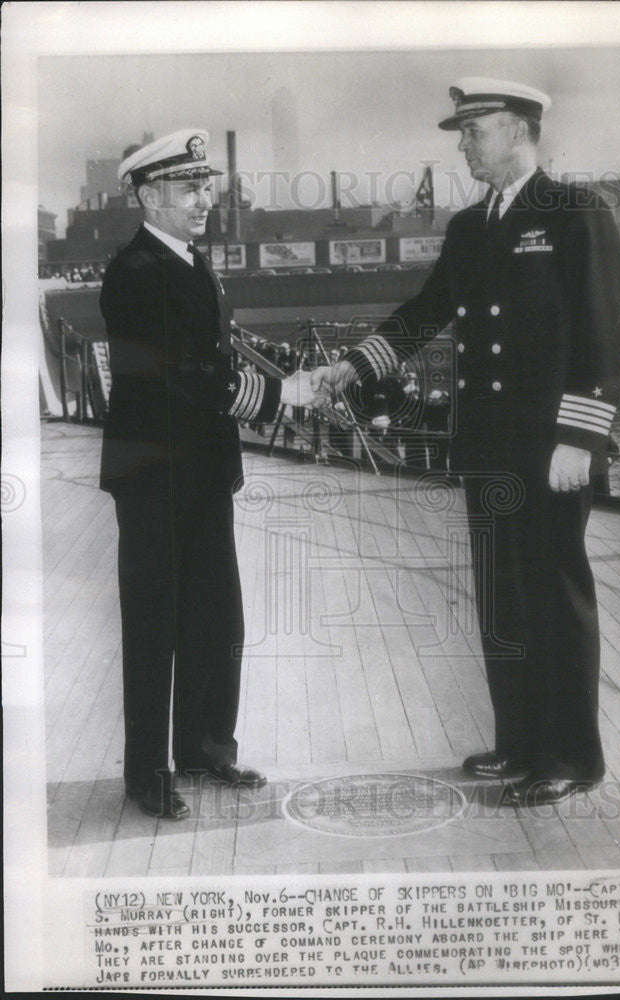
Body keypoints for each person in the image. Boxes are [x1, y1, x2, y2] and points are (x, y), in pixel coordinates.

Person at [323, 78, 620, 806]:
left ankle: (570, 757)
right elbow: (425, 312)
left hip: (550, 448)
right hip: (488, 447)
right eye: (460, 133)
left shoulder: (573, 211)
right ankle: (519, 742)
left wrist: (576, 439)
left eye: (474, 130)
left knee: (554, 598)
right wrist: (350, 364)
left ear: (520, 131)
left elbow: (604, 330)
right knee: (502, 600)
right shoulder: (468, 228)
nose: (462, 144)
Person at [100, 129, 325, 819]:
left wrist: (286, 370)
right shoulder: (134, 272)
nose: (203, 200)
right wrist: (281, 394)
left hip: (201, 472)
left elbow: (218, 346)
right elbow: (183, 372)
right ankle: (147, 773)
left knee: (213, 616)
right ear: (145, 194)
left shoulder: (192, 263)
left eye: (206, 186)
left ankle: (204, 750)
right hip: (154, 476)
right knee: (154, 622)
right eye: (187, 187)